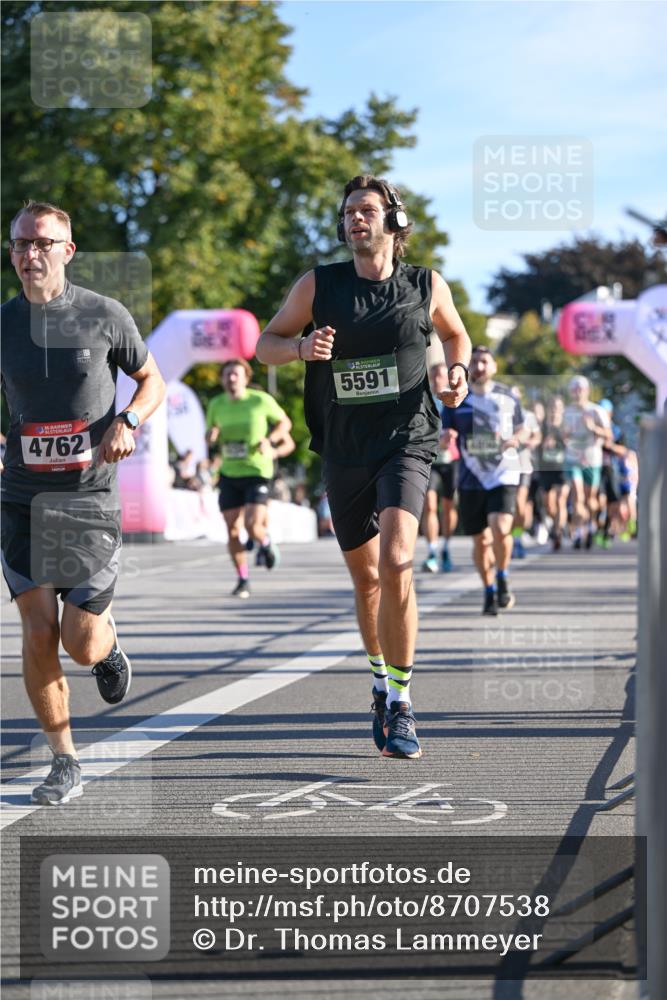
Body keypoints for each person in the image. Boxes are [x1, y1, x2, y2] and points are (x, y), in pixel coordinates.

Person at [256, 174, 471, 759]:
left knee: (398, 561)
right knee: (367, 578)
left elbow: (457, 336)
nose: (356, 218)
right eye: (349, 210)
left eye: (367, 210)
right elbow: (265, 343)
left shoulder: (425, 284)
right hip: (345, 446)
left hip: (407, 438)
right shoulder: (318, 284)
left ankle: (401, 701)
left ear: (393, 222)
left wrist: (457, 373)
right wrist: (299, 349)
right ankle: (379, 681)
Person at [1, 199, 165, 804]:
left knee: (79, 640)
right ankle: (63, 760)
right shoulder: (4, 323)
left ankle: (107, 646)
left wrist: (128, 419)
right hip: (21, 499)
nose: (30, 253)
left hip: (88, 501)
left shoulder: (104, 314)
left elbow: (152, 380)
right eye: (21, 243)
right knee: (37, 629)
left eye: (42, 242)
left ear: (67, 251)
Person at [441, 346, 526, 616]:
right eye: (474, 361)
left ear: (494, 366)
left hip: (503, 472)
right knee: (480, 541)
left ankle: (502, 575)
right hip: (471, 477)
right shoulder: (458, 398)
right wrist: (446, 438)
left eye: (484, 362)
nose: (479, 366)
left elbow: (523, 428)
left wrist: (515, 439)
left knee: (500, 527)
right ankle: (489, 589)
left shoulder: (507, 396)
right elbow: (444, 432)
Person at [206, 358, 294, 599]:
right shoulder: (216, 404)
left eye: (236, 374)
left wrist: (270, 441)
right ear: (222, 379)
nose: (231, 378)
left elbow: (285, 423)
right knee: (232, 530)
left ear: (246, 378)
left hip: (257, 471)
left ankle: (264, 543)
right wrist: (211, 435)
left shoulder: (260, 400)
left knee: (252, 526)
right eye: (227, 374)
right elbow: (210, 435)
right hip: (229, 472)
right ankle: (243, 579)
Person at [562, 375, 611, 549]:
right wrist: (565, 434)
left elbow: (609, 435)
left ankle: (591, 524)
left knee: (590, 499)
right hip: (573, 458)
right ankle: (578, 532)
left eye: (580, 389)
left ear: (587, 391)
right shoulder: (567, 412)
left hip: (592, 459)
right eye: (574, 389)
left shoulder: (596, 411)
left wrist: (593, 428)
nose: (577, 393)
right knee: (577, 495)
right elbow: (563, 436)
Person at [421, 362, 459, 573]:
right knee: (429, 505)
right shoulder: (423, 399)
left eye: (441, 375)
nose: (437, 379)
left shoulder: (455, 400)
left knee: (448, 507)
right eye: (433, 375)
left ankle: (446, 547)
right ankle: (432, 551)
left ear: (447, 378)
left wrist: (452, 436)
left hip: (452, 461)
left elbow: (463, 428)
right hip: (430, 461)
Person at [537, 395, 569, 551]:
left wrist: (564, 441)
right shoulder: (542, 427)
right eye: (552, 408)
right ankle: (555, 523)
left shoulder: (566, 427)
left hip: (563, 468)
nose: (555, 411)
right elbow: (534, 442)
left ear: (562, 410)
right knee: (549, 505)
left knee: (560, 500)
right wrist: (542, 443)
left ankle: (557, 533)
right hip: (545, 469)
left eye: (558, 408)